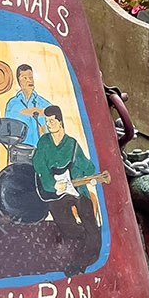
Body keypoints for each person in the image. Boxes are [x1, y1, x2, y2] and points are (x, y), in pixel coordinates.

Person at [31, 105, 106, 276]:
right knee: (67, 226)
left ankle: (80, 263)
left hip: (77, 190)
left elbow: (87, 166)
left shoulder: (72, 144)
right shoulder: (44, 142)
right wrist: (52, 184)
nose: (49, 124)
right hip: (55, 193)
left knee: (90, 221)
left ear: (60, 121)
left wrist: (87, 176)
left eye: (52, 121)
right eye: (47, 121)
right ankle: (84, 237)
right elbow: (39, 165)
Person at [3, 63, 49, 147]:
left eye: (31, 78)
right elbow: (8, 130)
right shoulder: (12, 104)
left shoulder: (43, 103)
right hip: (18, 149)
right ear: (19, 81)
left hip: (40, 149)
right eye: (25, 78)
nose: (29, 81)